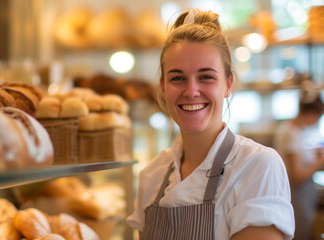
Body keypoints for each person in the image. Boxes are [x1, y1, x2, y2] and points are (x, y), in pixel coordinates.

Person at [127, 8, 295, 240]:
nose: (191, 91)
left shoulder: (256, 167)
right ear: (163, 88)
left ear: (227, 84)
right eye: (177, 78)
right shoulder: (151, 175)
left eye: (206, 77)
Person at [273, 80, 324, 240]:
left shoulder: (292, 130)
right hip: (297, 197)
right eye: (319, 117)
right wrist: (318, 162)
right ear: (312, 114)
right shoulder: (291, 134)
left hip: (301, 196)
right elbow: (296, 176)